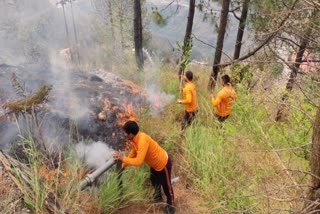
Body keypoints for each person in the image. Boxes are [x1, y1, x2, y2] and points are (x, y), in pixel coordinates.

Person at [112, 121, 175, 214]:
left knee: (167, 186)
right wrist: (123, 165)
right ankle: (158, 195)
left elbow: (138, 162)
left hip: (163, 164)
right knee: (154, 180)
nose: (124, 134)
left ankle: (171, 206)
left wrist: (123, 158)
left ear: (131, 134)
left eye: (125, 133)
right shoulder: (134, 139)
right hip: (154, 165)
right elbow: (134, 151)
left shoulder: (142, 140)